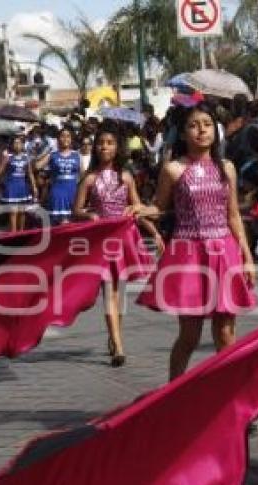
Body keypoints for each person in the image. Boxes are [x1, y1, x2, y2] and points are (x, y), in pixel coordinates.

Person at [134, 102, 256, 380]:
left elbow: (234, 215)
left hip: (225, 252)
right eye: (193, 125)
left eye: (207, 124)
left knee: (225, 334)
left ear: (216, 130)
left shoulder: (227, 167)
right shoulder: (173, 169)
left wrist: (247, 258)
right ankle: (173, 395)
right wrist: (141, 209)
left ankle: (231, 400)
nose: (202, 130)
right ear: (183, 133)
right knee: (189, 336)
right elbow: (160, 207)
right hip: (188, 256)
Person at [73, 122, 162, 367]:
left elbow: (138, 209)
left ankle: (115, 337)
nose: (104, 147)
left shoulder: (126, 176)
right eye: (100, 143)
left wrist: (154, 233)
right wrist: (88, 215)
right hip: (102, 240)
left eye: (109, 143)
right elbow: (76, 209)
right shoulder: (89, 179)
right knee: (109, 292)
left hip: (125, 239)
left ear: (117, 147)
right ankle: (119, 346)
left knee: (118, 293)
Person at [0, 135, 38, 232]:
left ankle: (21, 232)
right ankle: (13, 233)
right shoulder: (8, 157)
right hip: (11, 187)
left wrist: (34, 186)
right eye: (15, 143)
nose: (17, 145)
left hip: (22, 187)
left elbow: (30, 173)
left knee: (22, 212)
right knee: (13, 212)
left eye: (19, 143)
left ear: (23, 145)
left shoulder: (26, 158)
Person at [41, 127, 81, 225]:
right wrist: (48, 152)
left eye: (68, 136)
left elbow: (83, 175)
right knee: (59, 225)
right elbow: (37, 166)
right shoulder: (53, 154)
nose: (65, 139)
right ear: (58, 139)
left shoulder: (77, 155)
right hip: (57, 193)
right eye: (62, 136)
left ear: (71, 139)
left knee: (72, 224)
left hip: (73, 193)